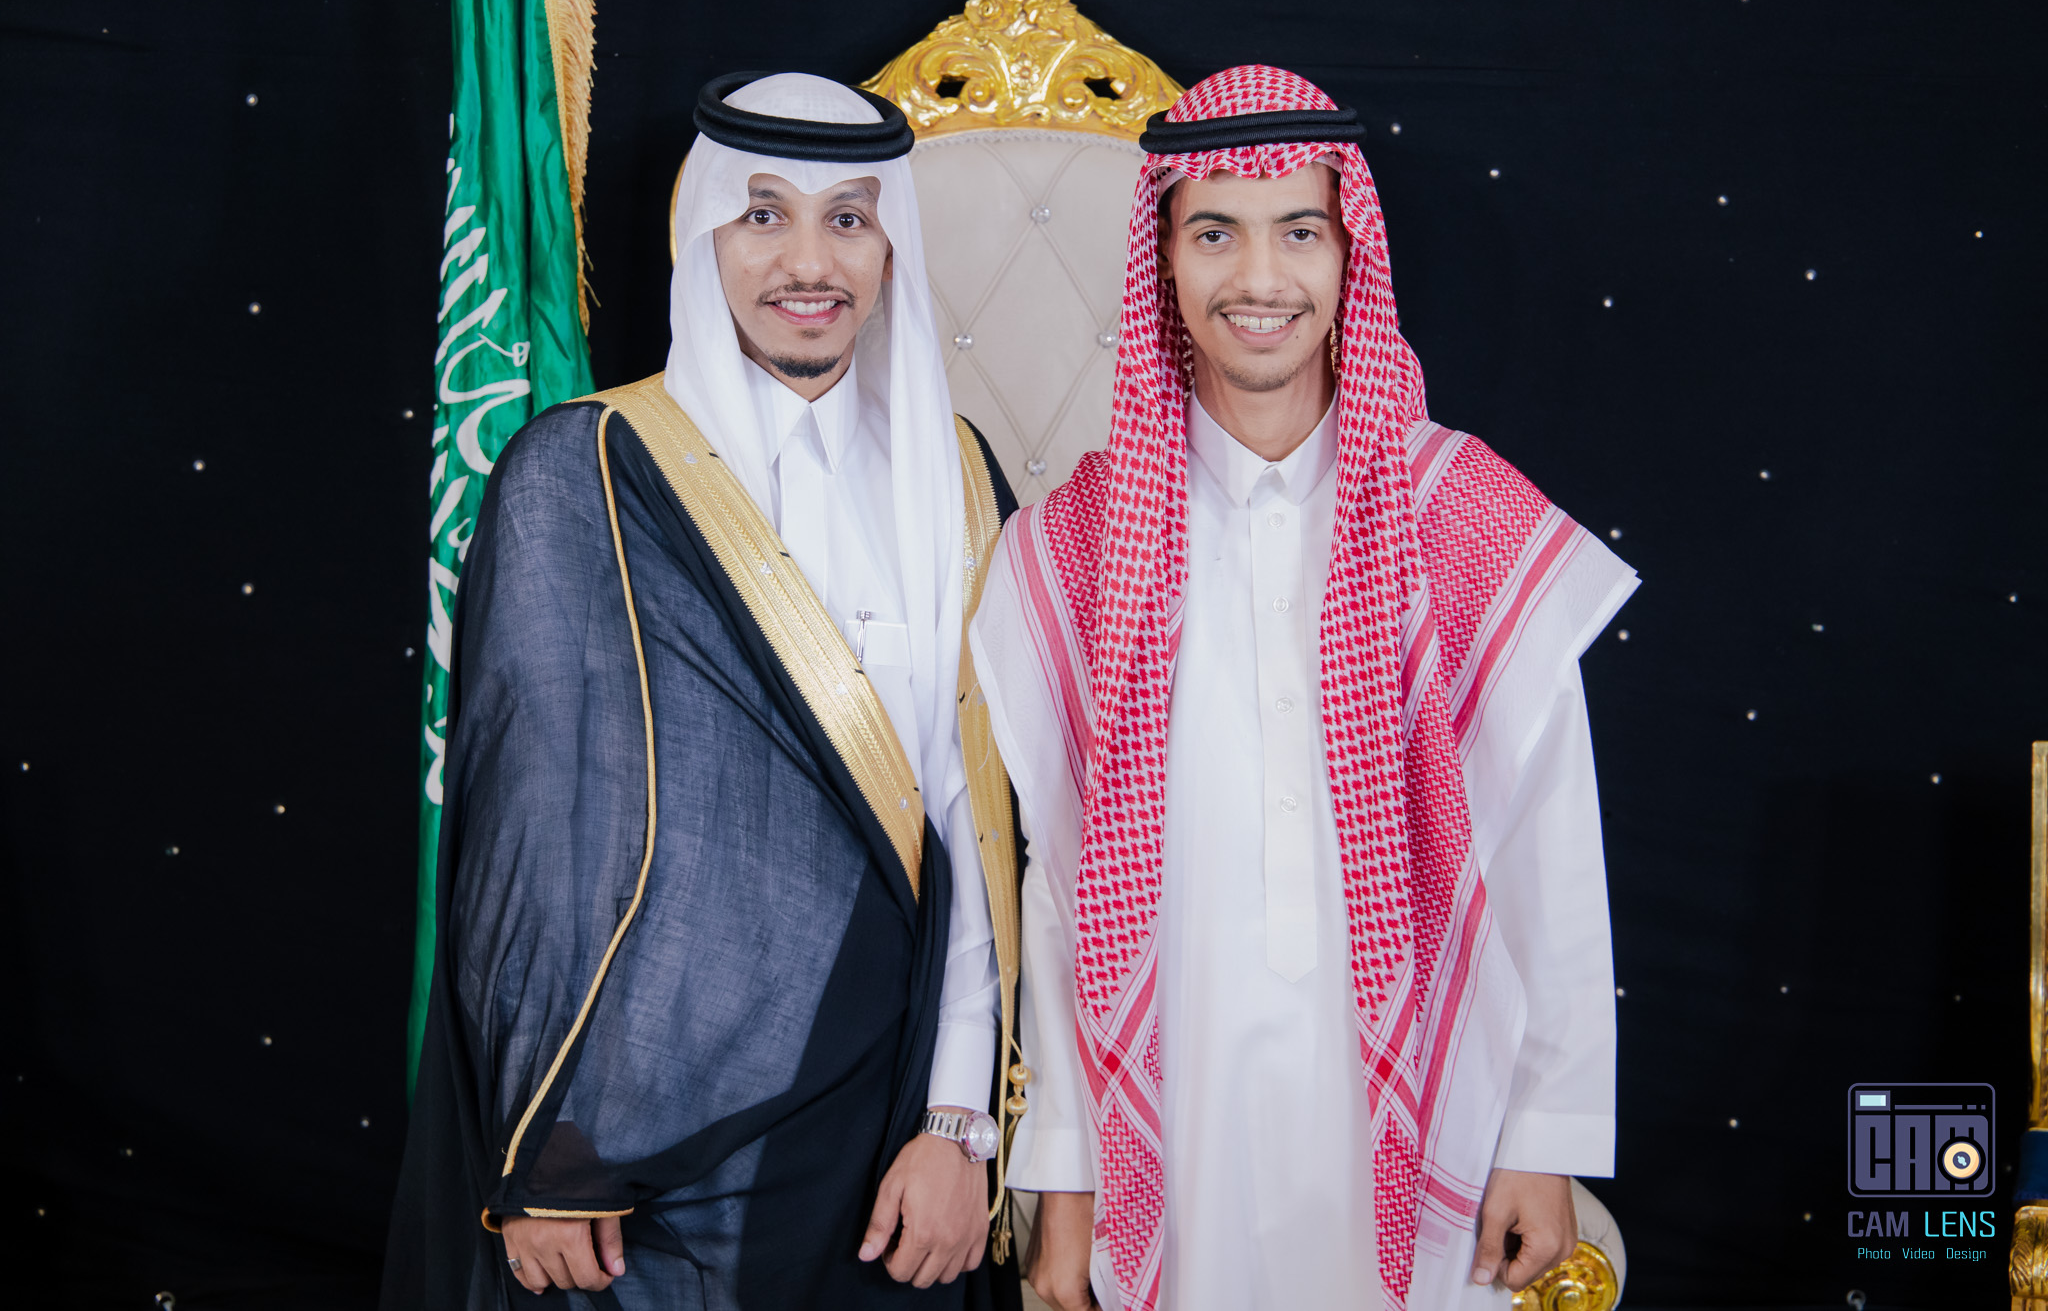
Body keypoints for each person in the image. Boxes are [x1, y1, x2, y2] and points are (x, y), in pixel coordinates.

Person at [968, 66, 1638, 1310]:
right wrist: (1064, 1181)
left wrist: (1543, 1133)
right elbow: (1059, 899)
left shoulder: (1457, 513)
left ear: (1348, 257)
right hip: (1178, 1129)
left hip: (1428, 1110)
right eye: (1213, 234)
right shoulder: (1072, 548)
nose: (1258, 279)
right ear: (1163, 261)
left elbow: (1550, 853)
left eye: (1298, 232)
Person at [383, 72, 1028, 1311]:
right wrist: (551, 1148)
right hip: (636, 1151)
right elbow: (534, 848)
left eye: (848, 218)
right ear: (703, 236)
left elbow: (979, 824)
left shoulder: (953, 476)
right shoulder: (583, 470)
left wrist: (958, 1124)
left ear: (889, 245)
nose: (809, 262)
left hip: (892, 1135)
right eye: (763, 214)